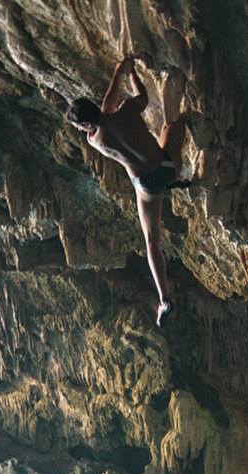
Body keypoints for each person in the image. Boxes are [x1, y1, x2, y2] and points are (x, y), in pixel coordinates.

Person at [66, 57, 188, 326]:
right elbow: (140, 97)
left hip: (146, 185)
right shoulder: (126, 112)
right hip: (167, 166)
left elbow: (101, 117)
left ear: (85, 126)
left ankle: (164, 299)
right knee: (174, 125)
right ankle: (182, 177)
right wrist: (127, 73)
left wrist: (119, 75)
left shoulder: (95, 140)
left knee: (152, 241)